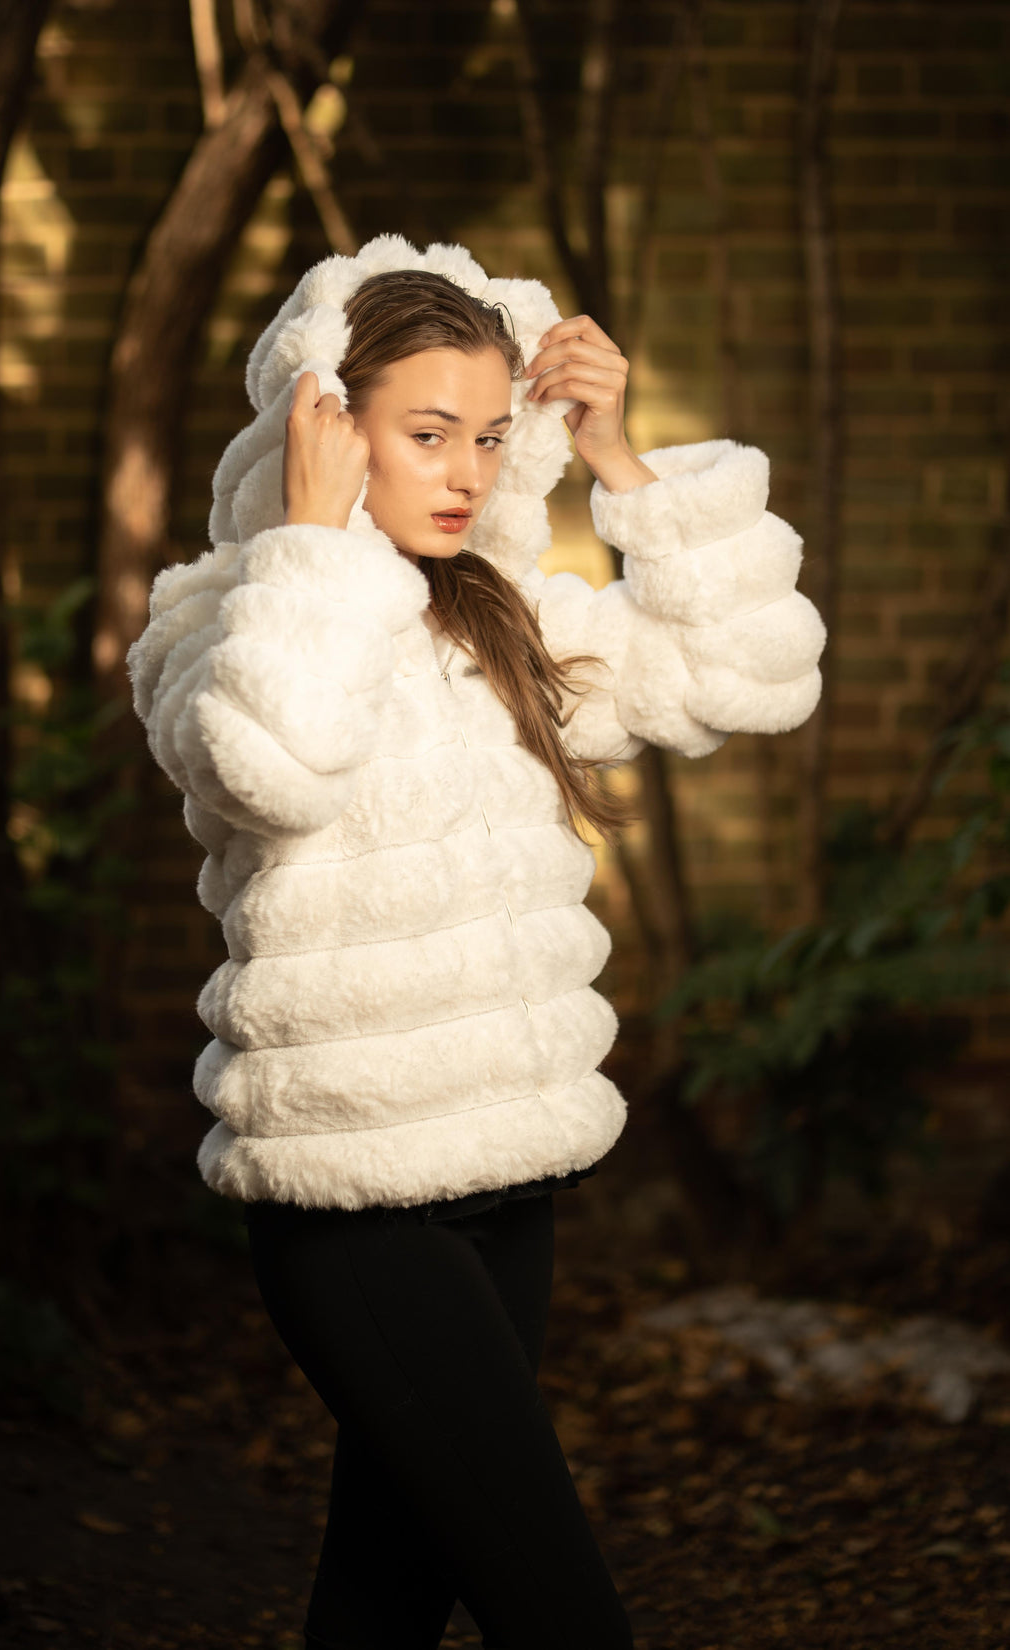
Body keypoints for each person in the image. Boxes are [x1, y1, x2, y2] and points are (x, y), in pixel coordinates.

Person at [126, 234, 826, 1650]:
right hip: (355, 1208)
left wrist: (618, 459)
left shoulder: (504, 625)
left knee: (384, 1599)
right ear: (330, 424)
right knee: (560, 1614)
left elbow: (748, 675)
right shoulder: (224, 621)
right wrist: (313, 541)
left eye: (492, 437)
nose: (465, 473)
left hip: (509, 1187)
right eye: (427, 433)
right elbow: (273, 762)